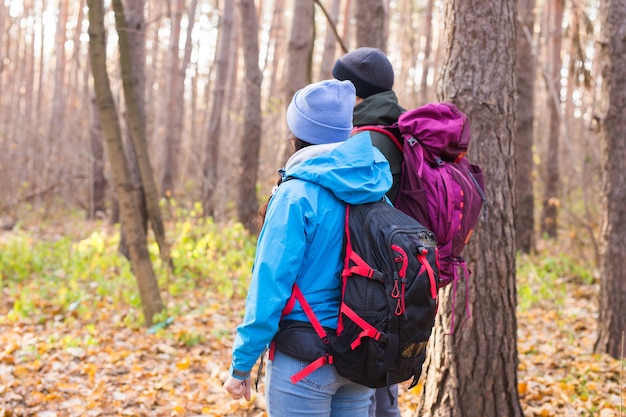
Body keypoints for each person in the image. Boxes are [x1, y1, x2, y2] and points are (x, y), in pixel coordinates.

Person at [223, 79, 393, 417]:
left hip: (304, 363)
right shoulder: (374, 188)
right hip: (360, 356)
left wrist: (241, 365)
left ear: (298, 135)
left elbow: (270, 286)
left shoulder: (294, 196)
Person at [332, 47, 405, 417]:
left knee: (375, 390)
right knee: (382, 389)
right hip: (394, 273)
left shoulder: (368, 141)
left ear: (354, 92)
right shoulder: (394, 126)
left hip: (371, 278)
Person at [332, 46, 406, 205]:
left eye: (339, 86)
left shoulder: (367, 142)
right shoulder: (390, 124)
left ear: (355, 92)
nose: (334, 92)